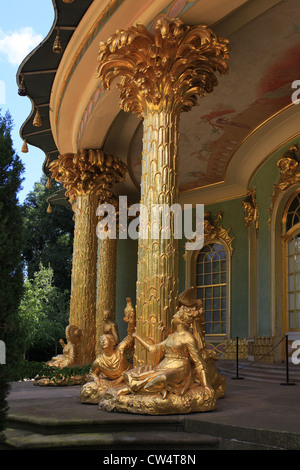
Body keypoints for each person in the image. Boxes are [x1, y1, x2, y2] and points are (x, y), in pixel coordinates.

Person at [117, 304, 214, 400]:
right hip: (161, 367)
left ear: (181, 320)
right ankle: (152, 389)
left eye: (176, 315)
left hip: (179, 370)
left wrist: (206, 385)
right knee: (128, 374)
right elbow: (152, 349)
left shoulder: (189, 338)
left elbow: (198, 362)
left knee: (162, 378)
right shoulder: (171, 336)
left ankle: (135, 389)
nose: (173, 316)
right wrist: (136, 337)